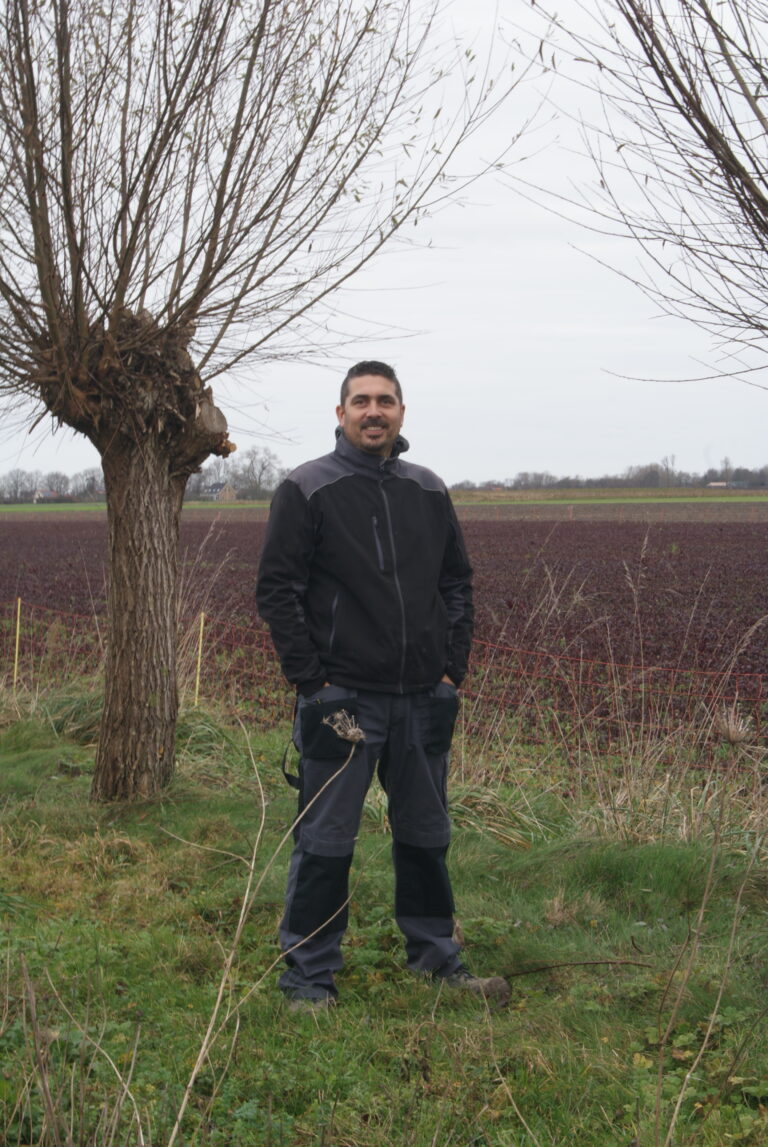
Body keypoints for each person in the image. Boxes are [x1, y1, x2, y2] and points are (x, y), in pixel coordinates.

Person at [256, 361, 509, 1009]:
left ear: (402, 413)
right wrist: (315, 683)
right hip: (343, 700)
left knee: (427, 834)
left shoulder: (427, 489)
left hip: (424, 698)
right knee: (326, 840)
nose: (375, 411)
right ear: (339, 414)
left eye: (386, 401)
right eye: (361, 400)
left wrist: (453, 672)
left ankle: (436, 957)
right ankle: (308, 975)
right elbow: (277, 591)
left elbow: (456, 584)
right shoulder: (306, 487)